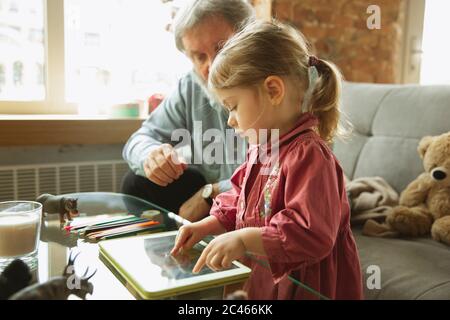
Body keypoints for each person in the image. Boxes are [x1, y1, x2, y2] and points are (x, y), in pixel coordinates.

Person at [171, 20, 363, 300]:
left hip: (305, 282)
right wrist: (208, 225)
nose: (230, 119)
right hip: (265, 270)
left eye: (233, 105)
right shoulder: (263, 147)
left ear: (273, 90)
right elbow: (240, 198)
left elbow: (310, 234)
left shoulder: (310, 155)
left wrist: (244, 238)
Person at [121, 0, 254, 221]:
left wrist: (211, 194)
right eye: (199, 57)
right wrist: (152, 157)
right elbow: (141, 138)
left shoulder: (280, 85)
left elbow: (287, 172)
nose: (212, 66)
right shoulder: (191, 86)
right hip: (218, 203)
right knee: (136, 183)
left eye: (222, 48)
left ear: (250, 37)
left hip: (267, 201)